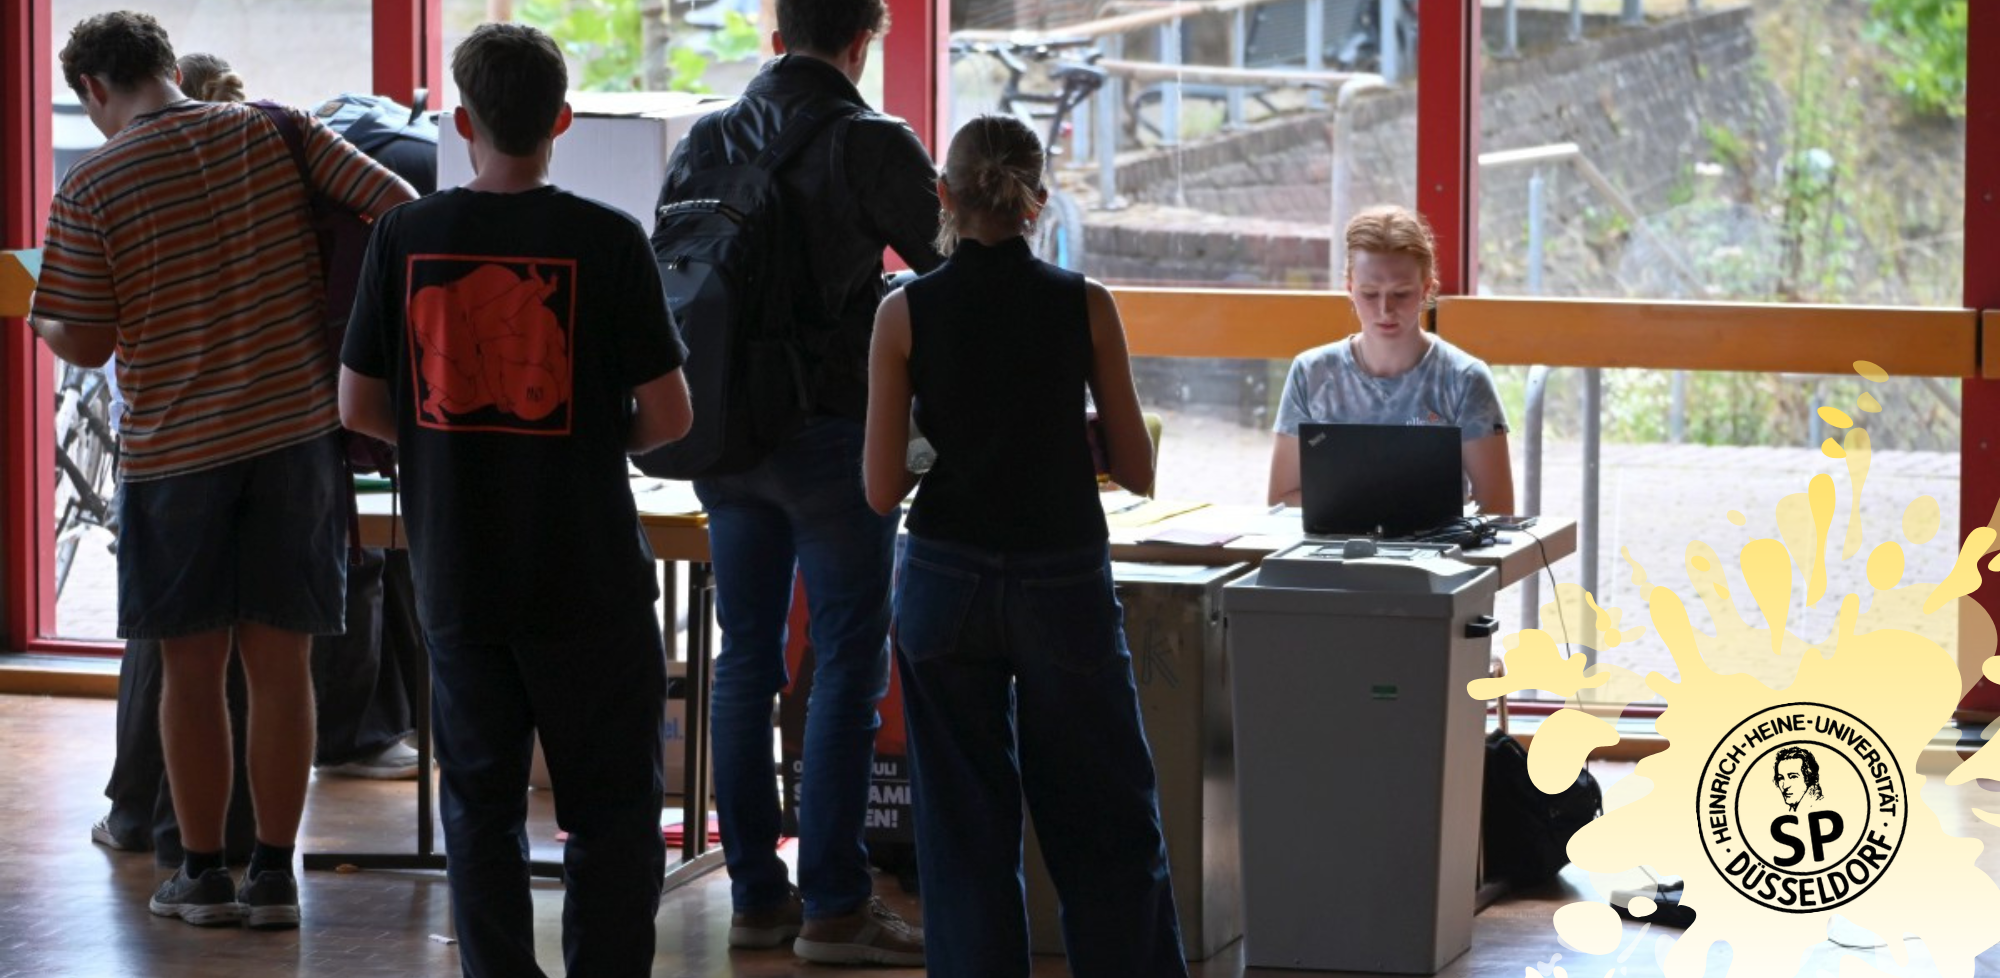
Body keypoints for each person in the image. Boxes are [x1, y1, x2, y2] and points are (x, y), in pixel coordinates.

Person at [30, 11, 415, 929]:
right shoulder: (277, 129)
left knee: (190, 671)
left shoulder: (95, 183)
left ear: (92, 92)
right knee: (282, 668)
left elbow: (83, 337)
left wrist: (47, 314)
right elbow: (399, 203)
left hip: (175, 454)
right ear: (167, 66)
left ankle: (200, 874)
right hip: (294, 439)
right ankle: (277, 879)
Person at [339, 23, 692, 978]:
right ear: (562, 121)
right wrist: (587, 440)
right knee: (614, 811)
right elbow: (669, 413)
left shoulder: (406, 236)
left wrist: (442, 439)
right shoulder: (608, 239)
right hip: (587, 576)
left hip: (460, 570)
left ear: (461, 121)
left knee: (480, 808)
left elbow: (358, 403)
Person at [862, 114, 1188, 978]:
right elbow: (1137, 467)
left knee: (964, 834)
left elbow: (879, 488)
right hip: (1061, 576)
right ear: (1038, 201)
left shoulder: (904, 313)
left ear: (944, 196)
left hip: (942, 580)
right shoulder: (1085, 303)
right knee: (1106, 824)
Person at [656, 0, 943, 964]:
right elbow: (952, 266)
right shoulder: (871, 138)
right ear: (866, 38)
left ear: (777, 38)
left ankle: (757, 897)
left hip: (725, 435)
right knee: (848, 669)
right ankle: (835, 905)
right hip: (830, 438)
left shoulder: (709, 134)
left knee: (745, 662)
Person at [1265, 204, 1515, 515]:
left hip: (1439, 556)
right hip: (1333, 552)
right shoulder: (1311, 373)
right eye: (1370, 294)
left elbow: (1498, 508)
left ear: (1426, 290)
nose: (1385, 310)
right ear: (1350, 289)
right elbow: (1280, 499)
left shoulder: (1463, 378)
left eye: (1401, 294)